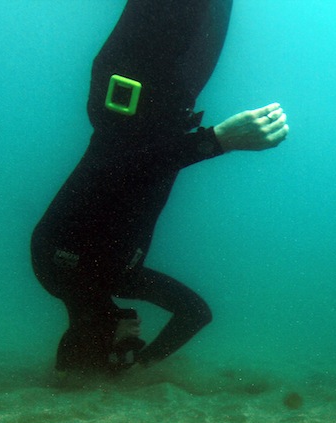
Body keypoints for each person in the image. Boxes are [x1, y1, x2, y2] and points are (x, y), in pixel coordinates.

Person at [32, 0, 288, 375]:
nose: (136, 337)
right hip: (173, 101)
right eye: (134, 347)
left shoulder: (56, 265)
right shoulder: (120, 279)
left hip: (129, 86)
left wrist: (216, 141)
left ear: (96, 337)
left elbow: (118, 168)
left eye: (125, 346)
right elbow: (196, 312)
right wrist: (142, 365)